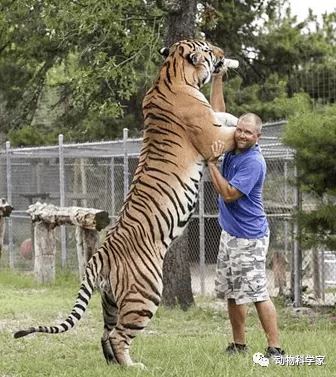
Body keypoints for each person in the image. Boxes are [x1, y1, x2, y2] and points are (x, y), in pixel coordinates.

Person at [207, 69, 285, 358]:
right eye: (239, 129)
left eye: (247, 132)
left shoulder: (253, 162)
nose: (240, 134)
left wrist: (212, 165)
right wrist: (218, 78)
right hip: (230, 235)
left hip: (249, 238)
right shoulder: (233, 146)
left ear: (258, 136)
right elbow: (217, 114)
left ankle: (275, 349)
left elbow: (228, 195)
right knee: (232, 292)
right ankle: (239, 345)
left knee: (255, 293)